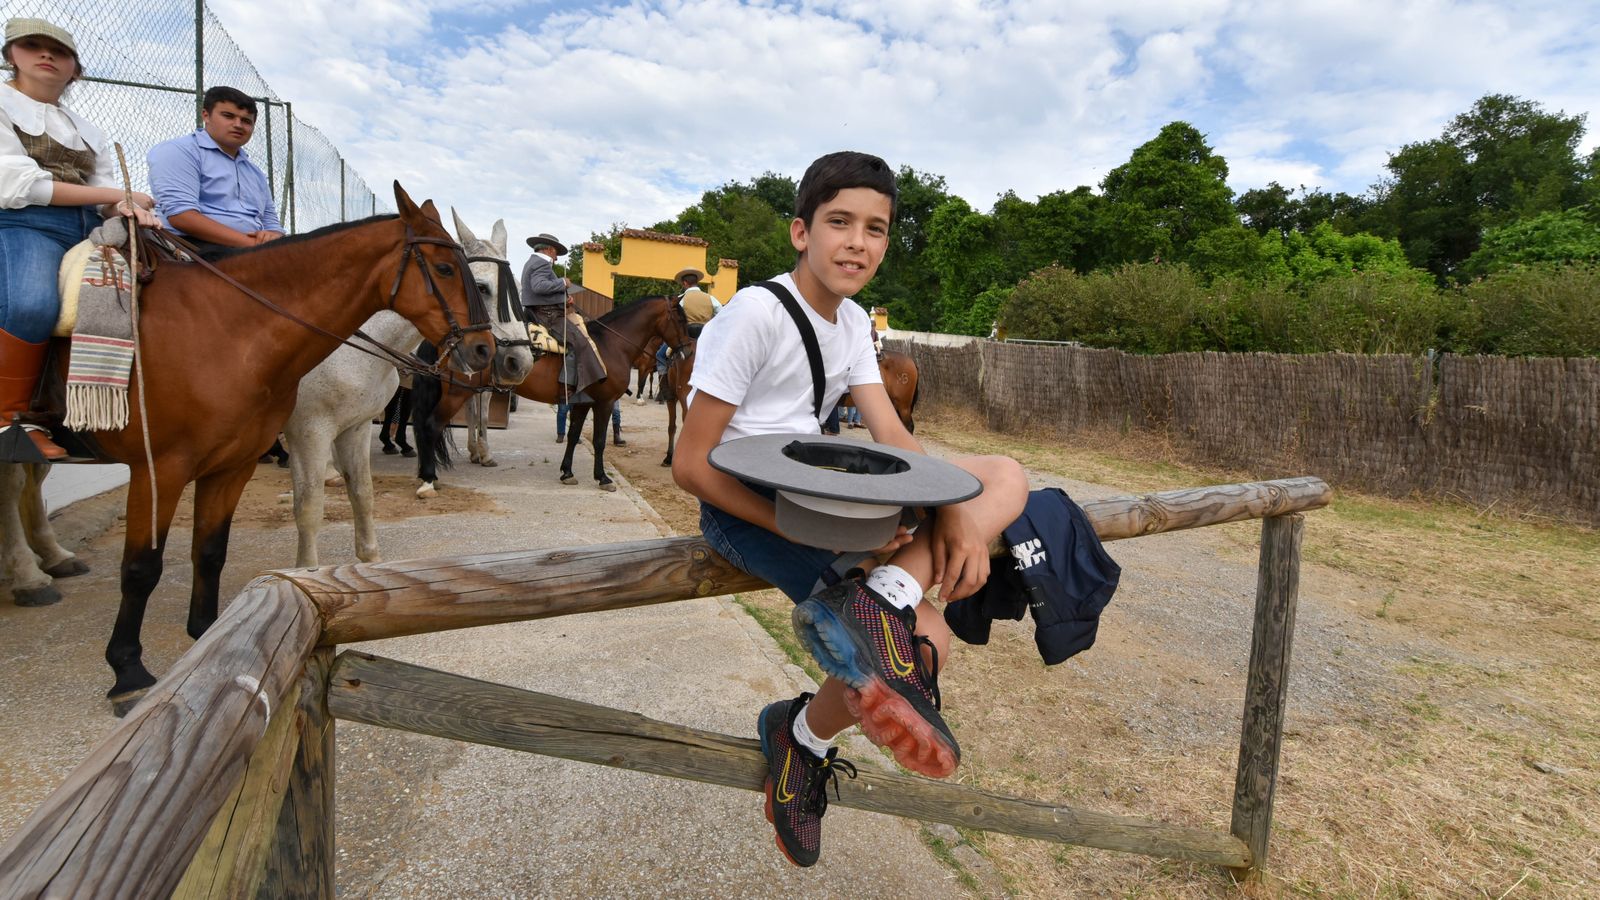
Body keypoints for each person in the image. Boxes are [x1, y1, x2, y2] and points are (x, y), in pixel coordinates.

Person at [671, 151, 1027, 867]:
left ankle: (874, 613)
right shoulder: (755, 316)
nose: (857, 242)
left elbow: (892, 433)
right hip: (750, 507)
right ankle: (805, 732)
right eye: (840, 223)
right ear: (802, 232)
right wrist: (794, 526)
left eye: (876, 228)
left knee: (1004, 475)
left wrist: (949, 507)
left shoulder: (855, 320)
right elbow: (690, 463)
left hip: (819, 490)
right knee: (935, 641)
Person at [0, 17, 159, 460]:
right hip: (20, 221)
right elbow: (18, 185)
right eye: (32, 46)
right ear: (12, 55)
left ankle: (97, 414)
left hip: (84, 228)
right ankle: (9, 420)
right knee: (33, 303)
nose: (46, 55)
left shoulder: (88, 128)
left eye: (60, 52)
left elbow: (104, 195)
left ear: (75, 68)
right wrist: (115, 194)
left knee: (148, 293)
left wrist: (127, 208)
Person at [145, 85, 281, 259]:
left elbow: (271, 224)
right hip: (191, 246)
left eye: (246, 121)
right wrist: (253, 245)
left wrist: (274, 237)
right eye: (228, 116)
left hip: (249, 252)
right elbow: (181, 216)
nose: (238, 125)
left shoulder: (255, 173)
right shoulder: (179, 151)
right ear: (206, 115)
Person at [519, 233, 606, 395]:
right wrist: (562, 283)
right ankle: (568, 387)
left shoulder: (532, 262)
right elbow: (539, 286)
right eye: (555, 252)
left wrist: (564, 299)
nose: (556, 257)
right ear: (549, 249)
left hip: (541, 311)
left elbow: (538, 292)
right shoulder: (542, 263)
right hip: (549, 316)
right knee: (579, 342)